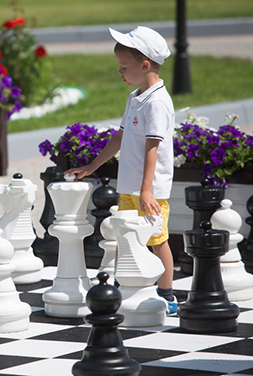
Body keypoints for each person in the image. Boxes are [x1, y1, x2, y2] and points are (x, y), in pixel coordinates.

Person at [66, 26, 177, 314]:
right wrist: (92, 166)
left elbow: (152, 147)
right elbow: (121, 137)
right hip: (130, 186)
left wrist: (146, 190)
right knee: (125, 238)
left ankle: (167, 294)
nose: (120, 72)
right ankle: (123, 287)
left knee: (157, 241)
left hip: (150, 191)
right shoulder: (135, 97)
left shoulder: (157, 102)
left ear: (145, 65)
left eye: (124, 67)